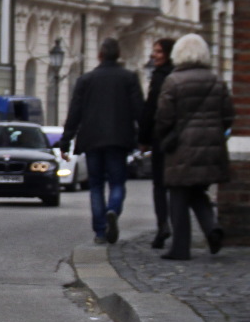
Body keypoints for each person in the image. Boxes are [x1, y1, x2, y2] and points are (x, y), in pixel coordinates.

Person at [153, 33, 234, 261]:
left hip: (181, 147)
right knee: (197, 190)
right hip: (211, 146)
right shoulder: (216, 81)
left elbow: (164, 117)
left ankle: (180, 246)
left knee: (178, 193)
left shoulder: (173, 81)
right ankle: (211, 228)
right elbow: (228, 115)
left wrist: (163, 137)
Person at [59, 37, 143, 244]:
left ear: (100, 55)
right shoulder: (129, 78)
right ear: (119, 55)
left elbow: (75, 113)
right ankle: (113, 210)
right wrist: (144, 137)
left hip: (92, 139)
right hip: (119, 139)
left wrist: (65, 141)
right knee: (117, 182)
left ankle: (100, 230)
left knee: (95, 185)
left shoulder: (86, 80)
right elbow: (140, 111)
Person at [138, 38, 175, 249]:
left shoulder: (160, 77)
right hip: (178, 138)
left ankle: (163, 225)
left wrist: (144, 139)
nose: (154, 55)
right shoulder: (176, 73)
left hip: (162, 138)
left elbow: (150, 109)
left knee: (160, 186)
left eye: (159, 52)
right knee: (176, 186)